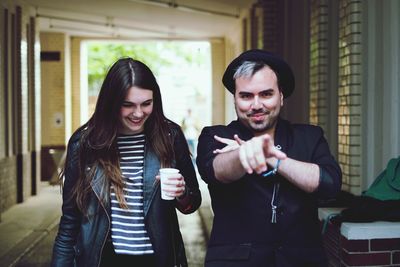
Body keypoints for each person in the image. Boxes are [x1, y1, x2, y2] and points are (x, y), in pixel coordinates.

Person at [196, 49, 342, 267]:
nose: (256, 105)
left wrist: (274, 159)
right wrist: (242, 154)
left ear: (281, 96)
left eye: (266, 94)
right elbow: (216, 171)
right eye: (246, 96)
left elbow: (330, 184)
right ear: (235, 99)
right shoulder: (216, 136)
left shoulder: (309, 137)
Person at [51, 58, 201, 267]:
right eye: (127, 105)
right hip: (104, 260)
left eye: (146, 104)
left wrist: (182, 192)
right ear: (111, 103)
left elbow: (192, 204)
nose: (138, 113)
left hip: (157, 260)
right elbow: (69, 223)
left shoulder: (170, 135)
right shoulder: (84, 143)